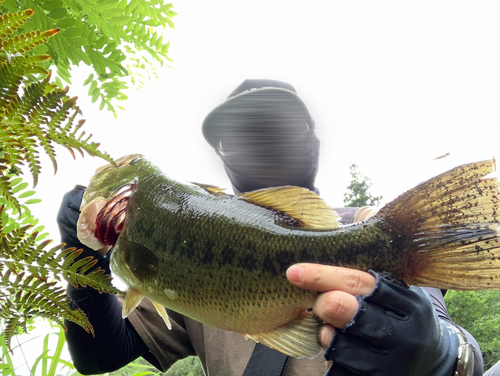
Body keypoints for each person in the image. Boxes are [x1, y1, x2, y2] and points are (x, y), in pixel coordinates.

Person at [58, 80, 484, 376]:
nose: (259, 140)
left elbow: (450, 337)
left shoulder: (373, 228)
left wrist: (445, 356)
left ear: (312, 142)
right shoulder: (183, 262)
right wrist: (82, 260)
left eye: (276, 124)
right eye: (239, 135)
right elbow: (100, 353)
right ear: (222, 158)